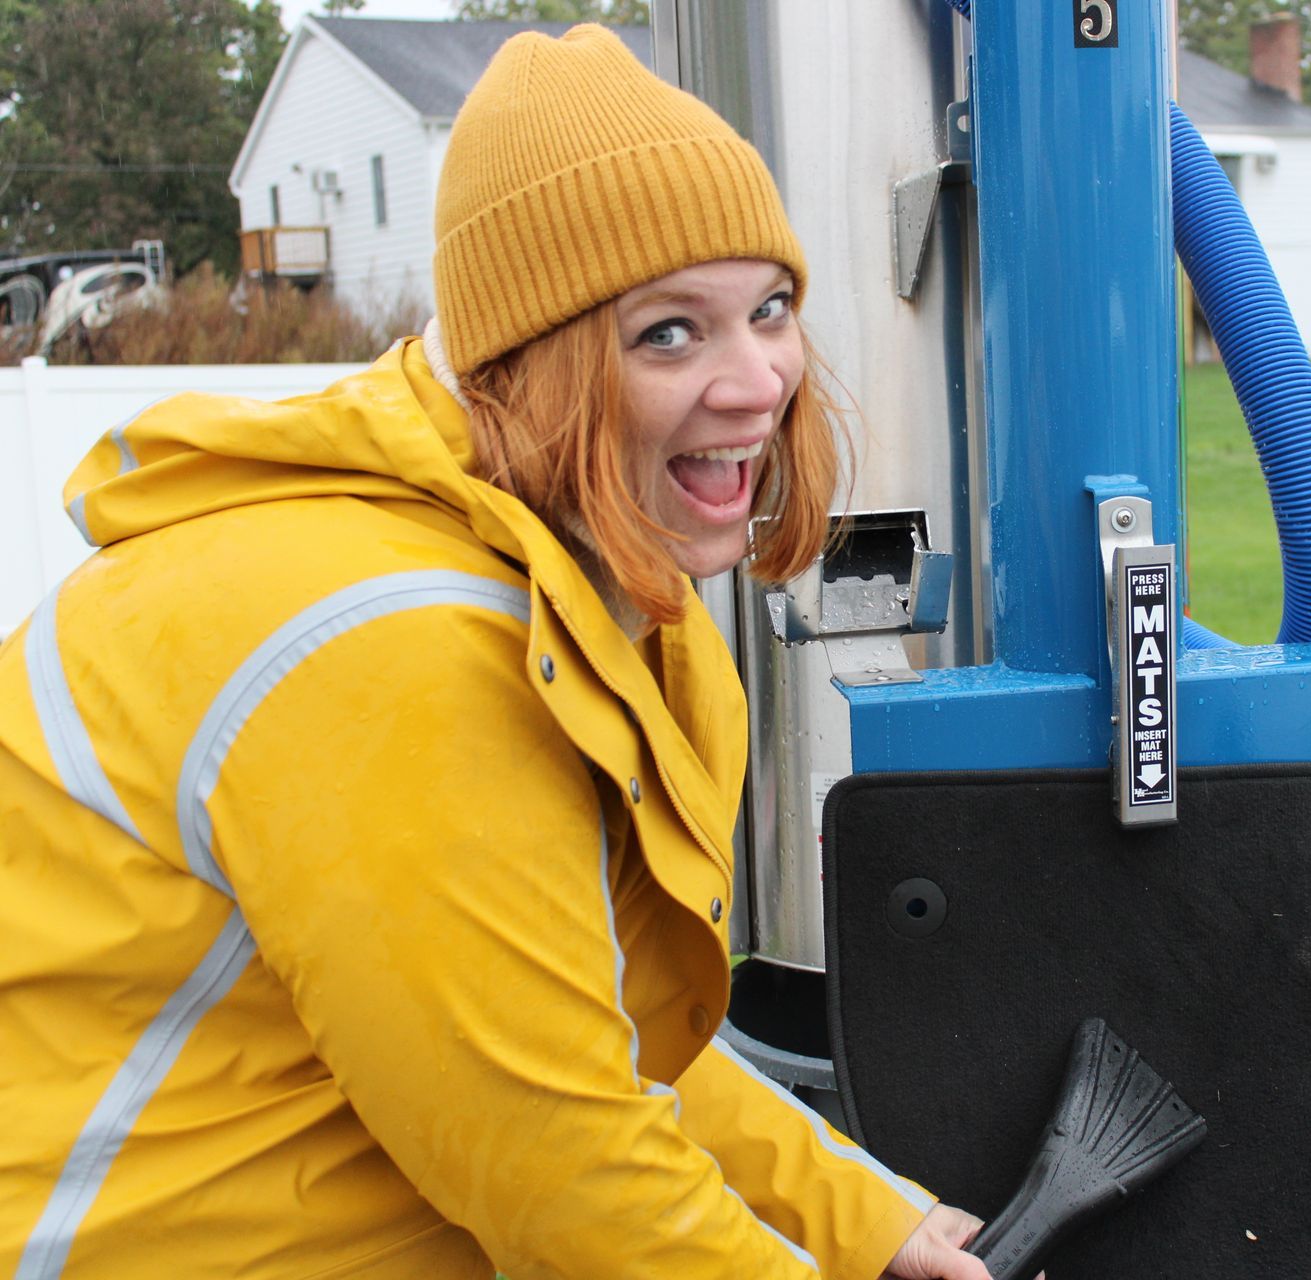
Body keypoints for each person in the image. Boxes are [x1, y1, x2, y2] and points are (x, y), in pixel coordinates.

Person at [0, 26, 995, 1280]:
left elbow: (598, 1042)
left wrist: (869, 1220)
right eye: (668, 334)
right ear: (526, 362)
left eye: (771, 309)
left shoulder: (606, 585)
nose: (758, 382)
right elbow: (558, 1162)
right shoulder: (392, 645)